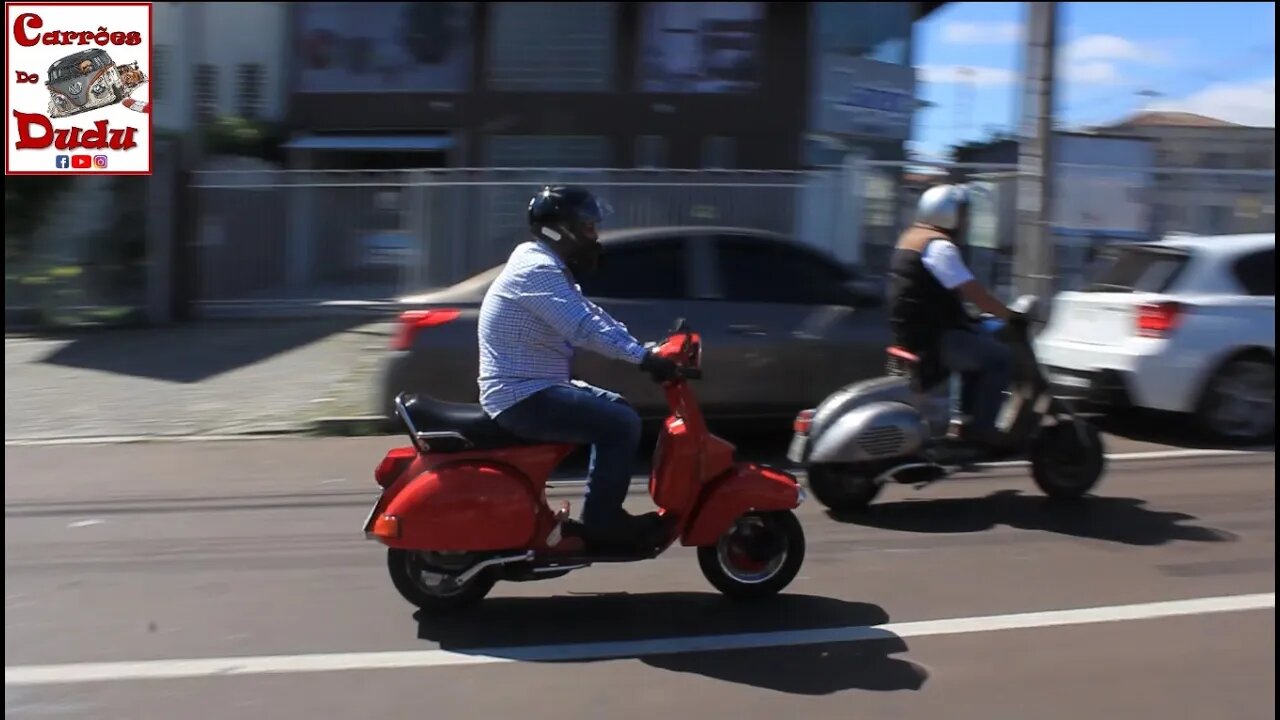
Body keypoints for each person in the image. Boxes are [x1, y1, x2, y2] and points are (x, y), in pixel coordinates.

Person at [477, 185, 679, 550]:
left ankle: (601, 516)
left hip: (535, 387)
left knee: (617, 408)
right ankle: (603, 523)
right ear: (561, 229)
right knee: (622, 424)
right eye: (588, 228)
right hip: (524, 397)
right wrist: (643, 359)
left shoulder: (543, 265)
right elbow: (582, 327)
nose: (595, 236)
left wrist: (644, 349)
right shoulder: (536, 270)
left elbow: (589, 314)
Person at [886, 183, 1018, 448]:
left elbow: (932, 290)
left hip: (914, 331)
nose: (967, 221)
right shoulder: (939, 247)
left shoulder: (911, 237)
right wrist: (1009, 316)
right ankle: (981, 429)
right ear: (949, 214)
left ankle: (963, 422)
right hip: (934, 337)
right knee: (1000, 358)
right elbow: (971, 290)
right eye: (964, 213)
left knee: (977, 351)